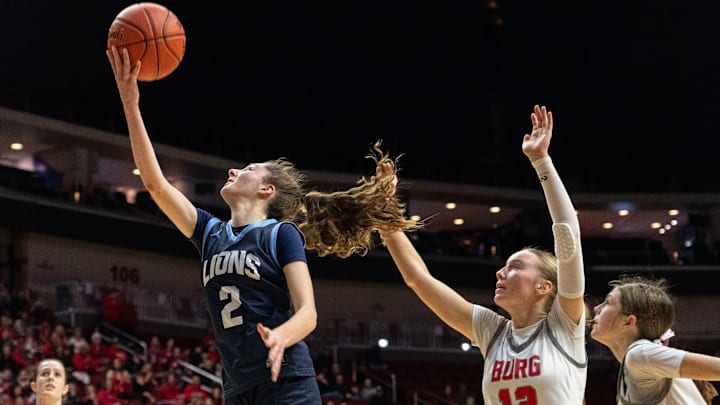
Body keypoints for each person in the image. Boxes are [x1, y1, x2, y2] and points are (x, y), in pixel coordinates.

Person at [106, 46, 418, 405]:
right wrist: (131, 105)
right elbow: (155, 184)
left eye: (247, 169)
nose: (234, 171)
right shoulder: (209, 233)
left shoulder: (280, 235)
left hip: (286, 382)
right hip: (238, 389)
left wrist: (283, 336)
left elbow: (308, 312)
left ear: (266, 190)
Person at [378, 104, 588, 404]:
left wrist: (541, 161)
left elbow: (568, 233)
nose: (500, 273)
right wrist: (386, 219)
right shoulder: (493, 331)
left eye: (515, 267)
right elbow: (417, 279)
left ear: (545, 286)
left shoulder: (564, 326)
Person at [590, 274, 720, 404]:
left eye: (607, 302)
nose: (597, 308)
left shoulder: (640, 354)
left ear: (628, 322)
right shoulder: (637, 361)